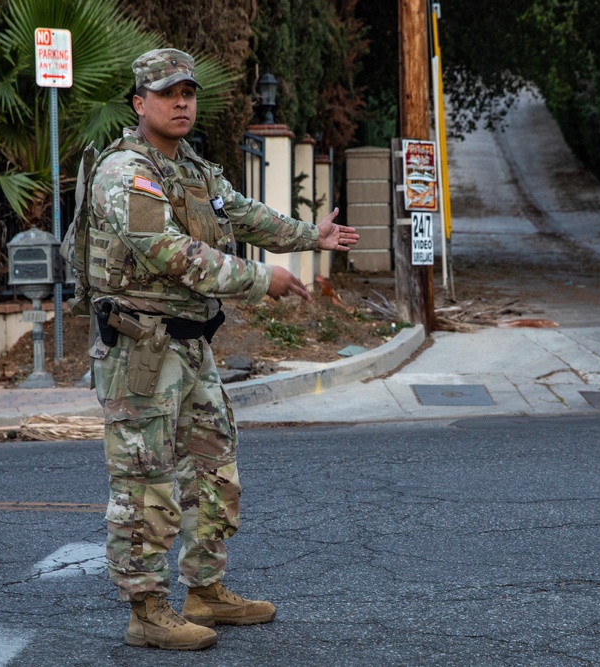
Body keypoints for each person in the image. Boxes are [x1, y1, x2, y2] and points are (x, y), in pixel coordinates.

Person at [75, 48, 359, 651]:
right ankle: (147, 610)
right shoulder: (127, 172)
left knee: (213, 471)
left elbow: (243, 213)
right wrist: (263, 280)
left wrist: (312, 235)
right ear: (139, 103)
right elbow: (170, 253)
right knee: (144, 483)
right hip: (139, 348)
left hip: (190, 346)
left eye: (188, 92)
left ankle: (205, 591)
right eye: (167, 93)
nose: (181, 102)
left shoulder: (193, 169)